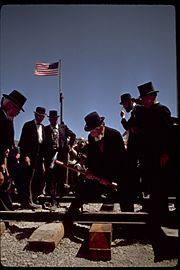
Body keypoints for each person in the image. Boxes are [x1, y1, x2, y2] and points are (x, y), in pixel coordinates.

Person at [68, 111, 133, 214]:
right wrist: (90, 171)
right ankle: (70, 216)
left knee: (125, 195)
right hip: (100, 177)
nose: (91, 133)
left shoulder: (115, 135)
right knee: (83, 191)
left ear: (101, 126)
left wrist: (109, 179)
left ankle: (129, 221)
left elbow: (122, 161)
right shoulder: (91, 138)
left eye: (93, 130)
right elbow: (92, 159)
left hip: (117, 176)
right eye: (90, 131)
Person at [136, 81, 174, 224]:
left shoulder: (162, 110)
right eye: (143, 99)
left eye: (146, 99)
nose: (144, 102)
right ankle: (155, 217)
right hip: (149, 157)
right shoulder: (145, 113)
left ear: (152, 97)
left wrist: (167, 153)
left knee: (161, 187)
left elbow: (170, 134)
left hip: (160, 156)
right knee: (152, 187)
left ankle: (163, 218)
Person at [0, 89, 27, 211]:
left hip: (9, 157)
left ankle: (10, 209)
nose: (18, 113)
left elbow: (9, 142)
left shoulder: (9, 119)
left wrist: (15, 153)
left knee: (13, 178)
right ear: (10, 105)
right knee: (2, 181)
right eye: (17, 110)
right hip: (2, 158)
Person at [44, 110, 76, 207]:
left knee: (60, 177)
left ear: (57, 119)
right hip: (50, 156)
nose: (53, 120)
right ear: (49, 119)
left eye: (55, 118)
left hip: (61, 155)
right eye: (51, 119)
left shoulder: (63, 127)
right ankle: (53, 198)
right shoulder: (45, 129)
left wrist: (69, 146)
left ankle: (59, 197)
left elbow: (73, 135)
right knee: (51, 177)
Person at [18, 106, 46, 209]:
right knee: (27, 180)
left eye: (42, 116)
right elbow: (22, 142)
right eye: (38, 115)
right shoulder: (28, 125)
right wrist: (25, 156)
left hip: (37, 159)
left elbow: (42, 144)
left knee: (36, 179)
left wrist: (42, 160)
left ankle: (32, 199)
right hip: (28, 158)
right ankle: (27, 202)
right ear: (35, 115)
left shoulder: (43, 128)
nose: (39, 118)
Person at [119, 93, 143, 209]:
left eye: (124, 104)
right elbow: (130, 127)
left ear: (129, 101)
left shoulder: (137, 110)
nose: (124, 106)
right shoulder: (136, 110)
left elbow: (128, 126)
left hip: (138, 147)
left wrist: (123, 118)